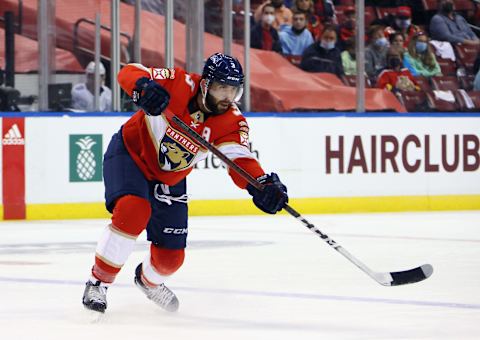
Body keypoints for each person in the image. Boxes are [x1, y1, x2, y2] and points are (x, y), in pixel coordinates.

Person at [81, 53, 289, 314]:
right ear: (205, 85)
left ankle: (147, 281)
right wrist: (144, 86)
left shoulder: (232, 122)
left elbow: (240, 160)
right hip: (131, 154)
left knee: (171, 260)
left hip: (169, 178)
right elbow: (129, 71)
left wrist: (260, 184)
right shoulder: (179, 83)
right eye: (221, 88)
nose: (227, 96)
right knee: (134, 210)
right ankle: (98, 281)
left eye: (233, 90)